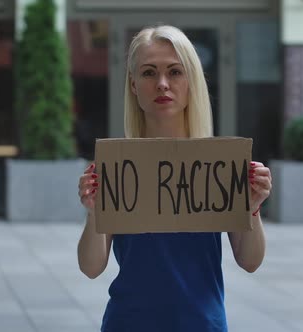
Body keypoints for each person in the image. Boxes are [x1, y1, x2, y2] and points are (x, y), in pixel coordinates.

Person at [77, 25, 271, 332]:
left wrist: (253, 206)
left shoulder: (218, 164)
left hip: (201, 324)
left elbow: (250, 261)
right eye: (149, 73)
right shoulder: (117, 165)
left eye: (175, 72)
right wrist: (93, 212)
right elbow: (90, 267)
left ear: (191, 81)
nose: (163, 84)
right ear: (133, 85)